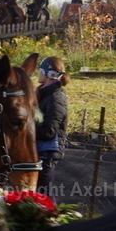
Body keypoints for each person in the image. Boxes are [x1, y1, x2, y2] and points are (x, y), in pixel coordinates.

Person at [35, 56, 69, 201]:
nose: (38, 73)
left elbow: (49, 132)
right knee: (35, 196)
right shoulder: (43, 94)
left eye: (40, 70)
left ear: (48, 74)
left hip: (47, 153)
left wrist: (24, 129)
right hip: (39, 151)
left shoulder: (56, 98)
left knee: (44, 196)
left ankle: (52, 223)